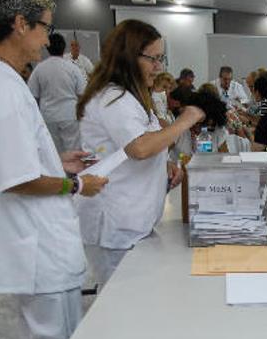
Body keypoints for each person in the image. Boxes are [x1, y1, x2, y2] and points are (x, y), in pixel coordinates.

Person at [0, 0, 108, 339]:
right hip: (38, 248)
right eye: (45, 27)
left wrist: (56, 161)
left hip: (29, 245)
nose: (47, 39)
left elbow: (15, 159)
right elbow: (19, 178)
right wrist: (76, 185)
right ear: (20, 24)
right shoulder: (4, 89)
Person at [76, 19, 204, 286]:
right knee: (118, 305)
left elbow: (149, 143)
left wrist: (164, 165)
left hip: (133, 220)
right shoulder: (113, 98)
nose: (159, 67)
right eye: (152, 59)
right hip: (114, 224)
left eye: (161, 58)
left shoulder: (133, 97)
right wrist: (185, 120)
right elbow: (140, 147)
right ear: (128, 57)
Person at [28, 33, 87, 152]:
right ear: (64, 47)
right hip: (70, 114)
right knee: (74, 149)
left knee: (53, 150)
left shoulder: (39, 68)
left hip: (48, 115)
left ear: (47, 47)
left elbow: (32, 95)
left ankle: (58, 170)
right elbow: (82, 93)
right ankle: (74, 171)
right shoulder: (72, 68)